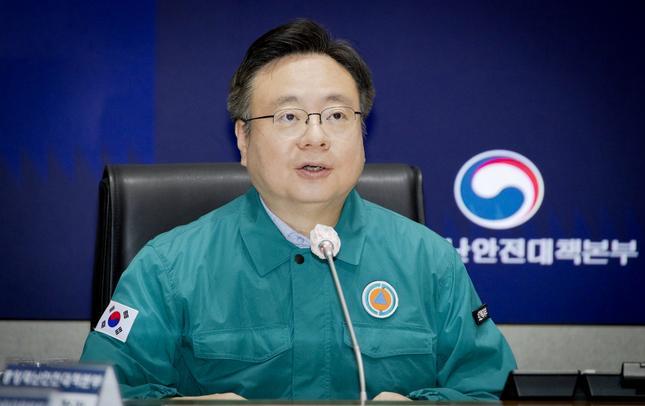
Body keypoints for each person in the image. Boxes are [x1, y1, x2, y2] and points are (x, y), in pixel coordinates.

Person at [80, 19, 516, 401]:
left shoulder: (430, 261)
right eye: (288, 117)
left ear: (362, 133)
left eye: (337, 115)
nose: (315, 137)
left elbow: (490, 390)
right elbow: (102, 393)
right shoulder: (168, 267)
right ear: (243, 138)